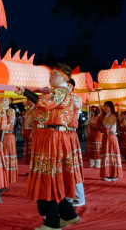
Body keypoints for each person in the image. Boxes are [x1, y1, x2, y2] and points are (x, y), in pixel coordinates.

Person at [19, 63, 81, 230]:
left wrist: (25, 91)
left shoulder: (60, 92)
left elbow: (44, 104)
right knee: (52, 177)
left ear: (64, 78)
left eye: (54, 74)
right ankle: (69, 215)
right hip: (48, 136)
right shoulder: (55, 92)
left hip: (52, 138)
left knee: (48, 177)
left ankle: (52, 222)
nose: (50, 76)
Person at [66, 79, 85, 207]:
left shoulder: (76, 98)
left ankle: (79, 196)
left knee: (73, 166)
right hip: (61, 135)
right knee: (63, 166)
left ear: (71, 86)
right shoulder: (60, 96)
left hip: (70, 135)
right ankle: (68, 195)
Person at [99, 101, 123, 181]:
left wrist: (101, 119)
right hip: (106, 136)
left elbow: (105, 126)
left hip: (111, 137)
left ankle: (113, 174)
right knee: (107, 154)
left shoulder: (112, 116)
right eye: (104, 106)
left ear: (111, 108)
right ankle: (107, 173)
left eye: (107, 107)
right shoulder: (106, 116)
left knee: (111, 153)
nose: (105, 108)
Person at [1, 98, 18, 185]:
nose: (2, 102)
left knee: (7, 155)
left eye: (5, 100)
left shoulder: (11, 111)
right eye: (2, 100)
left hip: (7, 135)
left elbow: (7, 123)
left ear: (10, 101)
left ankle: (7, 177)